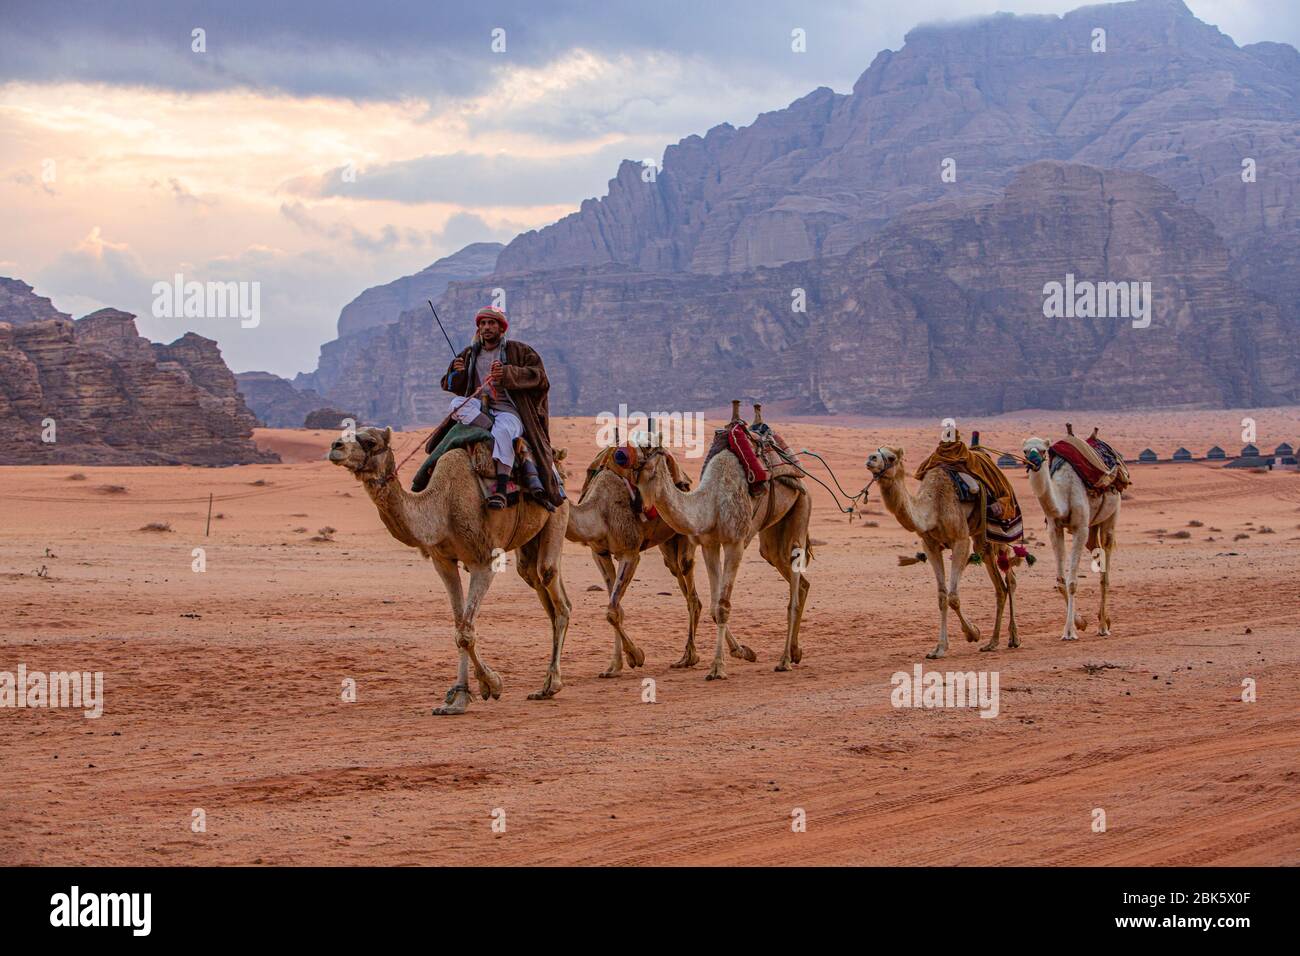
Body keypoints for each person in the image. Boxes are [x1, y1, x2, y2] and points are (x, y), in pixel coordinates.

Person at [429, 306, 561, 510]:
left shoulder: (519, 351)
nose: (486, 327)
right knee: (456, 405)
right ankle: (489, 427)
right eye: (482, 323)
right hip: (481, 410)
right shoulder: (469, 354)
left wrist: (508, 373)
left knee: (503, 430)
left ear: (501, 328)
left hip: (510, 412)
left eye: (491, 323)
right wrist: (458, 374)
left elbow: (540, 378)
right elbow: (449, 384)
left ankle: (500, 489)